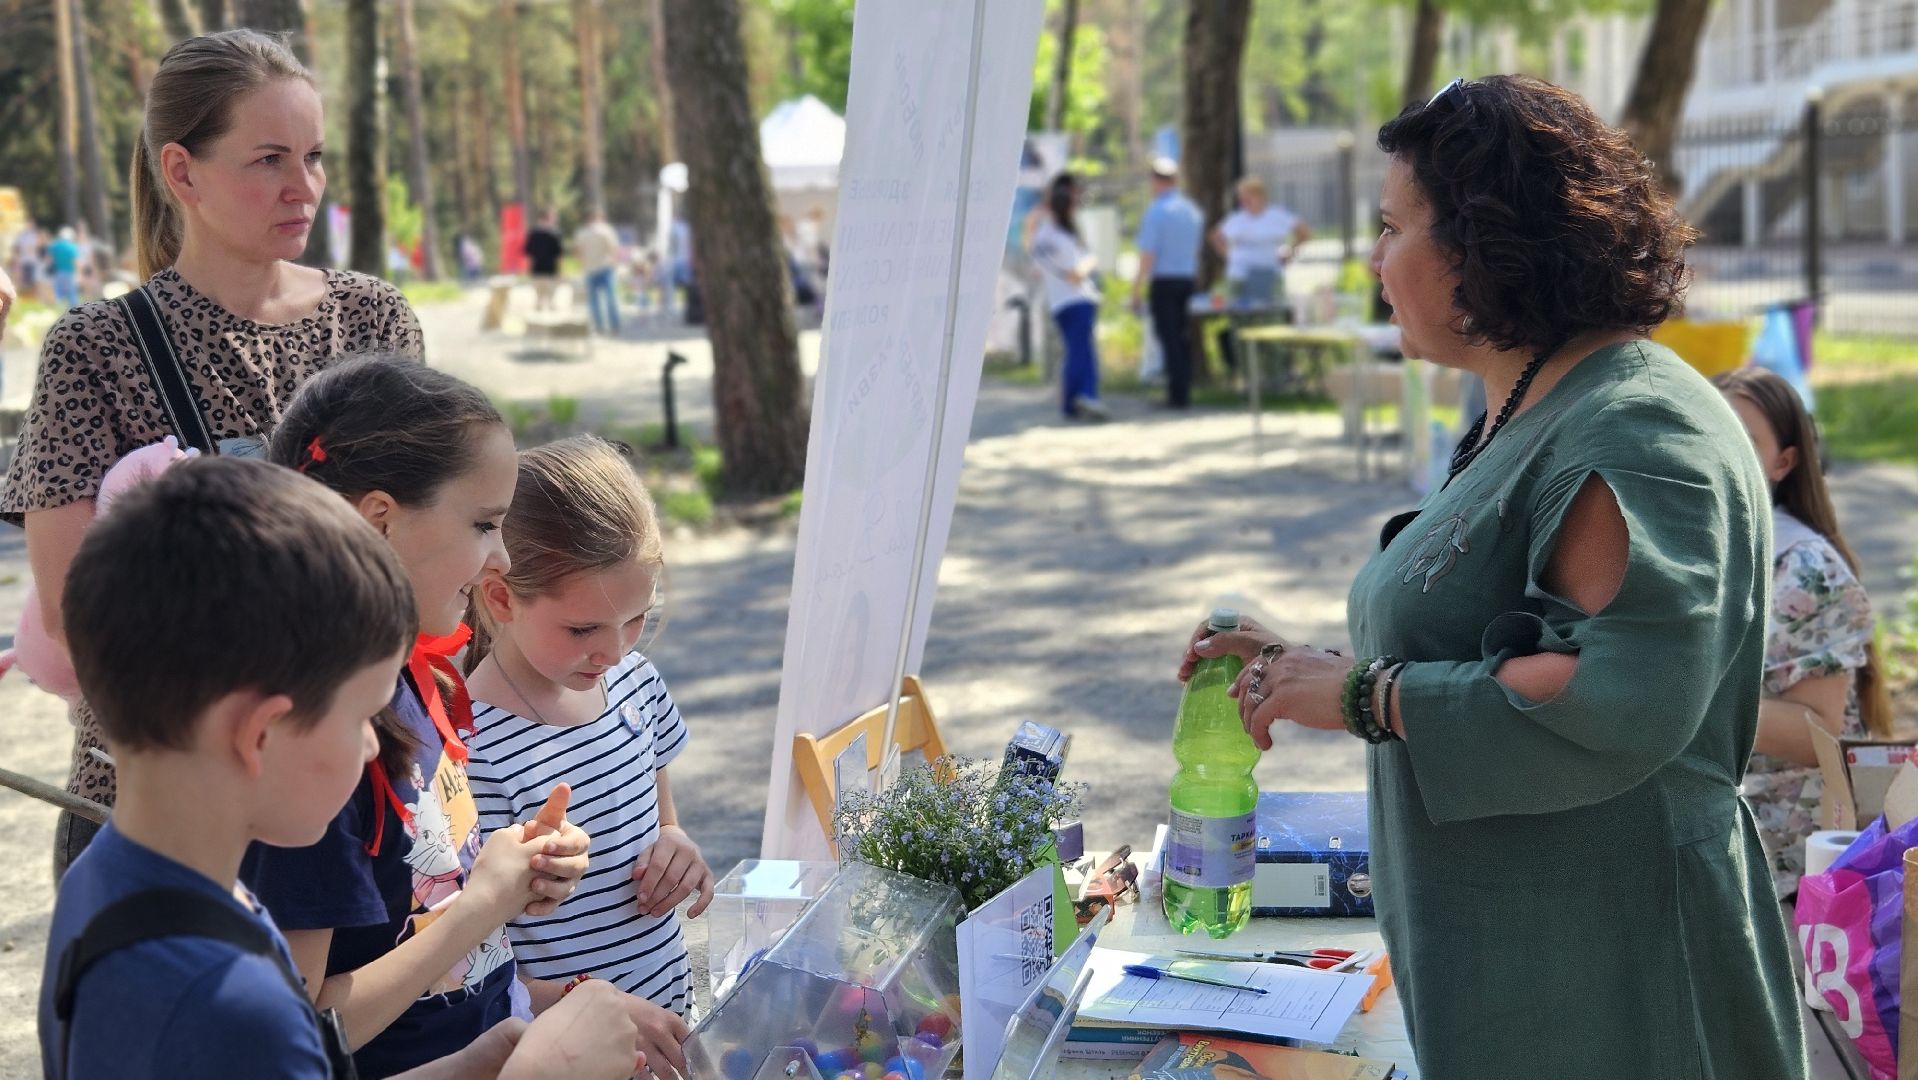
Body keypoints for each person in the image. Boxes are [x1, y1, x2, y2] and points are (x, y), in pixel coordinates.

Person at [1180, 76, 1805, 1078]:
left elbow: (1608, 699)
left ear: (1481, 240)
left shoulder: (1633, 427)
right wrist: (1299, 664)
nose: (1376, 263)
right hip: (1530, 972)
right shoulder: (1527, 401)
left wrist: (1360, 695)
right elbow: (1493, 639)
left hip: (1614, 990)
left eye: (1391, 228)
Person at [39, 457, 651, 1080]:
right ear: (259, 736)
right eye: (362, 718)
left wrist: (470, 1069)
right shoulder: (227, 996)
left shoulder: (118, 880)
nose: (368, 749)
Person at [1, 29, 424, 880]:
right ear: (181, 172)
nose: (302, 187)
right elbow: (74, 616)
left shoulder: (374, 322)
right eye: (268, 158)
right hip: (165, 816)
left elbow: (429, 542)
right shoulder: (96, 348)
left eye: (314, 156)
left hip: (356, 790)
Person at [241, 357, 690, 1077]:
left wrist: (513, 870)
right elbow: (297, 1033)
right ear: (379, 520)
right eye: (485, 524)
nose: (502, 558)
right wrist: (483, 906)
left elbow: (423, 898)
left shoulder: (408, 684)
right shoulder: (320, 742)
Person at [465, 435, 712, 1018]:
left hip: (667, 1019)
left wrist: (676, 847)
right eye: (582, 630)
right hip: (568, 1047)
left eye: (636, 619)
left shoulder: (636, 682)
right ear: (501, 598)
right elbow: (476, 958)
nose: (614, 650)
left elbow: (662, 818)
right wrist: (590, 1008)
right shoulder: (472, 746)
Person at [1716, 365, 1891, 898]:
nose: (1716, 450)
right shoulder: (1681, 545)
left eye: (1741, 439)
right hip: (1703, 844)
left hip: (1782, 869)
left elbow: (1818, 733)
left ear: (1782, 462)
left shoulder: (1805, 569)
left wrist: (1677, 693)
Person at [1029, 173, 1108, 421]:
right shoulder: (1062, 238)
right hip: (1077, 300)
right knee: (1081, 351)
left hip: (1059, 302)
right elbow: (1076, 273)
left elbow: (1037, 264)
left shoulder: (1044, 237)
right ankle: (1086, 394)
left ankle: (1071, 402)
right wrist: (1089, 263)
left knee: (1075, 350)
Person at [1132, 157, 1205, 409]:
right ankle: (1183, 388)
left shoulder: (1156, 211)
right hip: (1186, 279)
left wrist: (1137, 288)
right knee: (1182, 336)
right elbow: (1195, 252)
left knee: (1168, 337)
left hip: (1163, 281)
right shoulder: (1191, 210)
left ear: (1156, 181)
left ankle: (1177, 394)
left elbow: (1147, 255)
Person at [1209, 176, 1308, 311]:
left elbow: (1304, 232)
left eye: (1249, 198)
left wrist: (1291, 253)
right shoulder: (1236, 218)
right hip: (1239, 274)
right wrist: (1228, 255)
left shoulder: (1277, 215)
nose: (1245, 202)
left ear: (1261, 196)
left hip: (1270, 271)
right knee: (1239, 312)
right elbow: (1216, 237)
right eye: (1242, 199)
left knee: (1272, 311)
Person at [574, 212, 621, 335]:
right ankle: (614, 325)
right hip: (605, 267)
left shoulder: (582, 233)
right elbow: (613, 248)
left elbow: (578, 251)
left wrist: (582, 263)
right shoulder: (606, 231)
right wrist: (615, 263)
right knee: (610, 298)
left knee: (594, 301)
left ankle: (599, 326)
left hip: (590, 269)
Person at [525, 210, 563, 312]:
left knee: (539, 293)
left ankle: (540, 307)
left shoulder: (533, 233)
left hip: (537, 267)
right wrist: (560, 269)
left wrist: (528, 267)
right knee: (551, 292)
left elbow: (528, 253)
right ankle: (550, 306)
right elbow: (559, 255)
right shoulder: (555, 233)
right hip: (551, 268)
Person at [48, 226, 80, 308]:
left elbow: (50, 258)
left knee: (58, 291)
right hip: (69, 272)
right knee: (72, 292)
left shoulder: (55, 245)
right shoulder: (72, 247)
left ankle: (58, 309)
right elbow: (75, 261)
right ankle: (75, 310)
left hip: (58, 271)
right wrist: (78, 273)